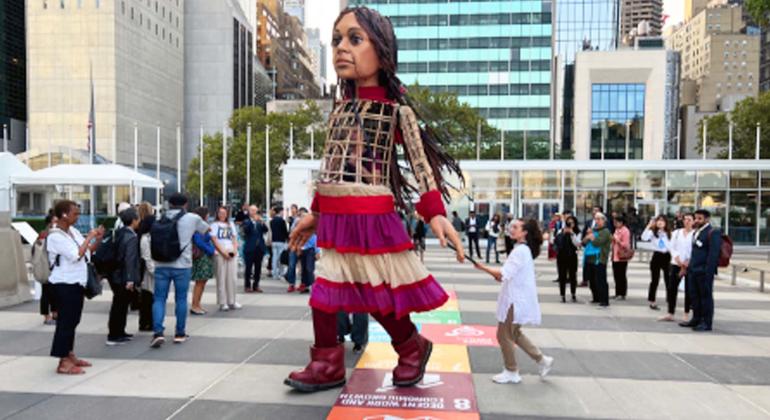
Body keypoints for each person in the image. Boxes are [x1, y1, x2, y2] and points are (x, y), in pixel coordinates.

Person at [284, 6, 465, 393]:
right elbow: (332, 167)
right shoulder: (339, 110)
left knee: (375, 295)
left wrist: (435, 214)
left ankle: (410, 346)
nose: (340, 49)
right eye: (336, 40)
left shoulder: (398, 112)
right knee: (324, 295)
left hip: (372, 214)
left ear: (381, 51)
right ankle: (327, 363)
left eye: (354, 39)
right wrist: (314, 214)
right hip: (336, 215)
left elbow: (420, 164)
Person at [472, 219, 553, 384]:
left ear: (525, 233)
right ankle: (542, 360)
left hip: (515, 300)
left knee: (503, 335)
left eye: (516, 227)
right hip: (517, 298)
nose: (511, 229)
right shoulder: (522, 250)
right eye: (511, 226)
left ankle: (511, 371)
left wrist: (483, 268)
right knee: (514, 333)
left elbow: (502, 274)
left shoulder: (520, 251)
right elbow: (508, 275)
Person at [47, 200, 104, 374]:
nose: (77, 216)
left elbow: (87, 252)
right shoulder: (55, 236)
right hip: (63, 283)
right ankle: (63, 362)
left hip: (77, 282)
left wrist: (97, 239)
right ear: (64, 215)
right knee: (65, 322)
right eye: (75, 213)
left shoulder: (72, 232)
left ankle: (69, 354)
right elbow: (75, 256)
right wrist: (89, 237)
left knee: (73, 320)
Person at [151, 193, 209, 349]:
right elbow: (206, 229)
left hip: (161, 263)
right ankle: (180, 333)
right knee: (181, 299)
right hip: (182, 265)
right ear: (185, 204)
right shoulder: (192, 218)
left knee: (159, 299)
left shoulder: (160, 218)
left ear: (169, 204)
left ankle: (158, 332)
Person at [680, 210, 721, 332]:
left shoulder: (713, 232)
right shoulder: (696, 232)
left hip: (703, 271)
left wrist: (708, 272)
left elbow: (713, 255)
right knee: (694, 296)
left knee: (705, 297)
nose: (697, 220)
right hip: (693, 270)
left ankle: (706, 322)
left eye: (700, 218)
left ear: (707, 219)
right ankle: (696, 318)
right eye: (696, 218)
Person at [107, 208, 140, 346]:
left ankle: (119, 331)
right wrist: (130, 279)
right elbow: (130, 259)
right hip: (123, 276)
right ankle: (115, 334)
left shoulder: (119, 233)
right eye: (137, 219)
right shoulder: (131, 237)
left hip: (115, 274)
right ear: (133, 220)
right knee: (120, 306)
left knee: (119, 304)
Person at [663, 213, 694, 322]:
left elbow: (694, 250)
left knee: (688, 289)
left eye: (689, 219)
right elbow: (672, 247)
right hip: (676, 264)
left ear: (693, 221)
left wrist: (687, 262)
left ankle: (686, 313)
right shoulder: (676, 233)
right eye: (685, 219)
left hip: (689, 265)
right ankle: (670, 312)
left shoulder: (695, 234)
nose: (687, 221)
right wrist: (677, 259)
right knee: (672, 288)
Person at [211, 206, 241, 312]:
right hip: (220, 253)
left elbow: (234, 238)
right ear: (217, 214)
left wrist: (234, 250)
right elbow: (214, 240)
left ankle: (232, 300)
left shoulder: (231, 224)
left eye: (224, 213)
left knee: (232, 278)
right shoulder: (214, 225)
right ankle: (222, 302)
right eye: (220, 213)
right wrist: (223, 252)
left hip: (231, 251)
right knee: (221, 277)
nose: (222, 215)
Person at [190, 207, 218, 315]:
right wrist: (211, 250)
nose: (208, 216)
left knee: (202, 282)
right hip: (201, 256)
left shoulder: (201, 225)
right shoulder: (198, 226)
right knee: (200, 282)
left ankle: (197, 304)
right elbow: (198, 241)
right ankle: (194, 305)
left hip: (204, 255)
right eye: (207, 214)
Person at [641, 215, 672, 311]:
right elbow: (644, 238)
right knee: (655, 280)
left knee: (669, 280)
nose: (660, 222)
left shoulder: (670, 233)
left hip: (667, 256)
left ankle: (670, 300)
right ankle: (652, 301)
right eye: (658, 221)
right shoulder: (653, 232)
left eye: (662, 221)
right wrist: (649, 226)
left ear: (666, 223)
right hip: (657, 256)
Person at [583, 213, 611, 307]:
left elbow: (597, 243)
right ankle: (596, 297)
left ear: (604, 220)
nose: (597, 221)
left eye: (599, 219)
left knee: (601, 280)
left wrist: (591, 237)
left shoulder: (606, 232)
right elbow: (584, 242)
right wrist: (588, 236)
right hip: (590, 258)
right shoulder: (593, 230)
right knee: (592, 280)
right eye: (596, 219)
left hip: (600, 259)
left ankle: (604, 300)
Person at [136, 202, 155, 331]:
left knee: (145, 296)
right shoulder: (146, 235)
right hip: (147, 267)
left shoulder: (138, 227)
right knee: (149, 295)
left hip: (140, 266)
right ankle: (148, 322)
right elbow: (147, 255)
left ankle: (144, 322)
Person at [37, 212, 58, 325]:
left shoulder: (58, 233)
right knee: (46, 292)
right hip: (45, 267)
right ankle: (46, 316)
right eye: (54, 221)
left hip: (55, 267)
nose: (56, 223)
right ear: (49, 223)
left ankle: (55, 313)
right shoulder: (44, 234)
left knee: (55, 291)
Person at [554, 215, 580, 303]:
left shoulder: (577, 232)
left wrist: (572, 234)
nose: (570, 225)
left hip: (572, 256)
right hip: (561, 256)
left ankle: (573, 294)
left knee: (573, 276)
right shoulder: (560, 231)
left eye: (572, 223)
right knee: (562, 276)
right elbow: (555, 242)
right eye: (568, 223)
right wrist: (563, 233)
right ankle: (562, 295)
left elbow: (577, 244)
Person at [243, 205, 268, 293]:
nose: (254, 212)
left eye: (255, 210)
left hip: (259, 248)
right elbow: (246, 230)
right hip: (250, 248)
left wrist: (262, 222)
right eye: (252, 210)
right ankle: (247, 285)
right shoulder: (247, 221)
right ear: (249, 211)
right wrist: (253, 221)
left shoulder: (259, 221)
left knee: (258, 268)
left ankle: (256, 285)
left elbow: (266, 230)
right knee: (248, 268)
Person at [611, 216, 632, 301]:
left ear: (621, 222)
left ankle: (622, 293)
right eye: (614, 222)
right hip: (615, 255)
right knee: (616, 275)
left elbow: (626, 245)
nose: (615, 224)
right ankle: (617, 292)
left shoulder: (625, 231)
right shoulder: (616, 230)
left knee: (621, 275)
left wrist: (617, 240)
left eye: (617, 222)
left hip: (621, 256)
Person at [298, 209, 317, 294]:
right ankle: (304, 285)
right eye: (302, 217)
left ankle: (313, 286)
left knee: (309, 268)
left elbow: (315, 239)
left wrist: (317, 250)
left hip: (310, 249)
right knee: (304, 269)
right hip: (303, 250)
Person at [270, 206, 289, 280]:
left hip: (274, 240)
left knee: (274, 258)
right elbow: (285, 231)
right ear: (280, 211)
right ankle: (281, 273)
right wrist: (288, 238)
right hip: (281, 241)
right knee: (281, 258)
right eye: (282, 211)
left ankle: (274, 273)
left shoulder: (272, 221)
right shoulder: (282, 221)